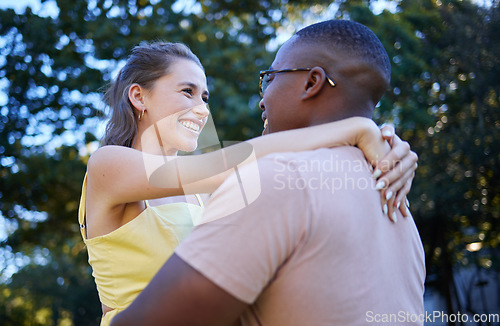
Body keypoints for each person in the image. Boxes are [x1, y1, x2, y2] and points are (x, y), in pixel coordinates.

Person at [109, 19, 425, 326]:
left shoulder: (274, 180)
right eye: (187, 92)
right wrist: (361, 131)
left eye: (269, 78)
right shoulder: (401, 212)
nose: (262, 98)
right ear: (138, 97)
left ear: (312, 82)